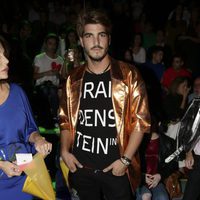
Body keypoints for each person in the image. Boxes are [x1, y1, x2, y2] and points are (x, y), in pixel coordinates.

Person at [59, 9, 150, 200]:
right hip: (81, 168)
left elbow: (141, 123)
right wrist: (64, 151)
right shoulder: (73, 79)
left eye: (101, 35)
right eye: (89, 36)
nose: (96, 42)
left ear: (109, 39)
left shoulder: (128, 76)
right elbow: (65, 120)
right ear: (81, 41)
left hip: (116, 169)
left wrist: (125, 160)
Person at [0, 35, 52, 199]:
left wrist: (38, 139)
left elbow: (30, 129)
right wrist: (1, 165)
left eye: (4, 54)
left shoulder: (17, 92)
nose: (6, 61)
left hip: (25, 176)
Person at [136, 115, 178, 200]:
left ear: (158, 124)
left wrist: (160, 175)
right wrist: (142, 177)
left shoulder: (168, 142)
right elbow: (131, 164)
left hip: (157, 181)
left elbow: (173, 164)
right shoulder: (137, 141)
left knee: (163, 198)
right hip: (139, 181)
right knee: (146, 196)